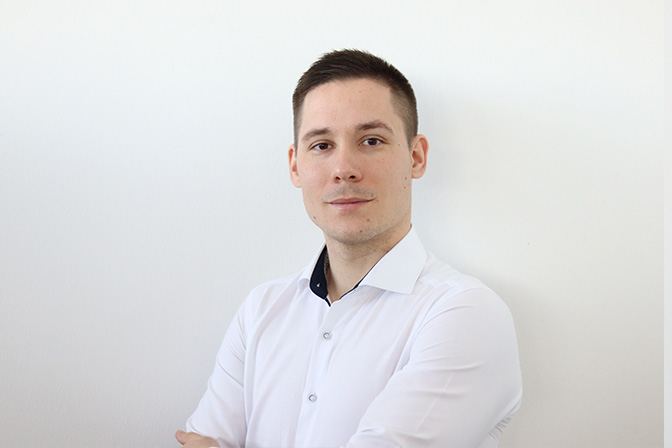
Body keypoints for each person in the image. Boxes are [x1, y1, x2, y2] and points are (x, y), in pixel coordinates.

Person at [175, 49, 522, 448]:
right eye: (322, 145)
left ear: (416, 156)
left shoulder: (465, 313)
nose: (344, 169)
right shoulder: (261, 310)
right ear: (295, 166)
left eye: (371, 140)